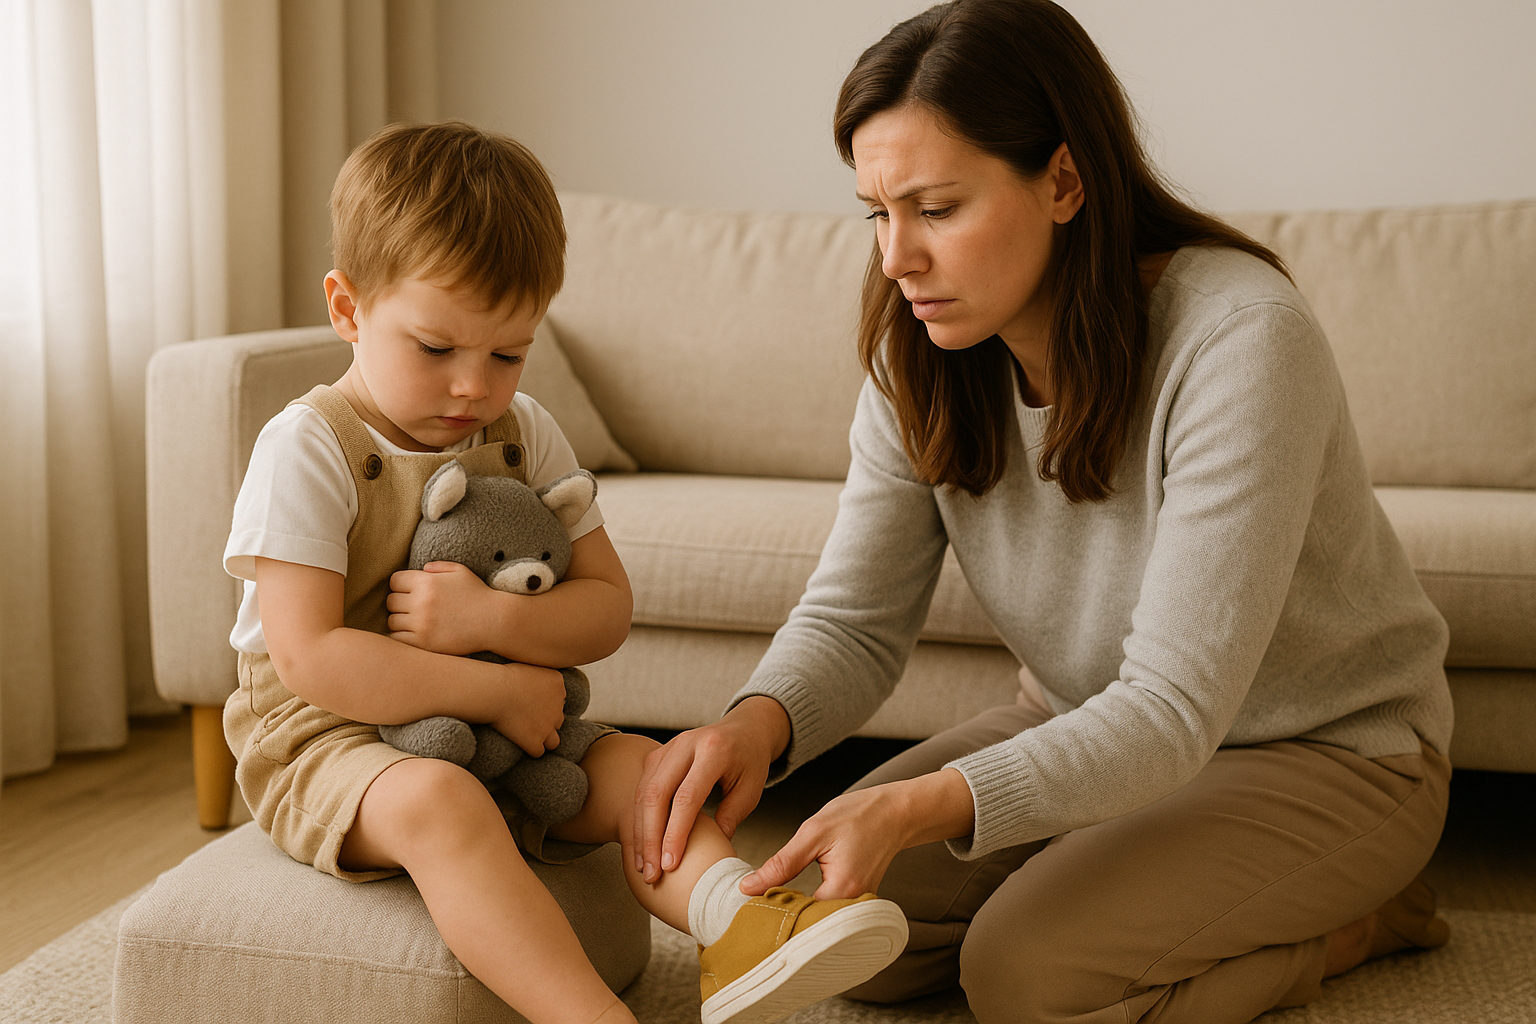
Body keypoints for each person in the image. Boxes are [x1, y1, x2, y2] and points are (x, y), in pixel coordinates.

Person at [632, 3, 1456, 1022]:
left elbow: (1170, 708)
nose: (896, 259)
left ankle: (1353, 926)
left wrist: (911, 802)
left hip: (1328, 754)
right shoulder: (919, 351)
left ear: (1064, 181)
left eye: (935, 209)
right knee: (850, 935)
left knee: (1024, 976)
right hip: (1081, 723)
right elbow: (855, 618)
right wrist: (754, 724)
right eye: (875, 213)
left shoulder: (1242, 340)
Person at [221, 121, 907, 1024]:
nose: (474, 388)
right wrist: (490, 690)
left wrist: (491, 629)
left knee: (644, 770)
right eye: (436, 350)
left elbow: (605, 609)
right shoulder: (308, 448)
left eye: (507, 354)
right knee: (440, 801)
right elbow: (312, 661)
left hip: (515, 723)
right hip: (332, 735)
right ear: (348, 309)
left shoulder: (526, 431)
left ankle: (740, 923)